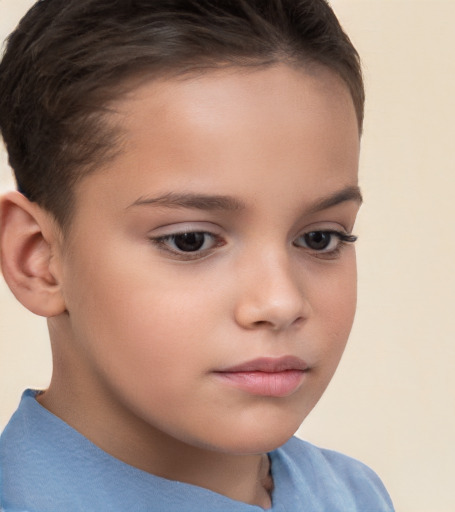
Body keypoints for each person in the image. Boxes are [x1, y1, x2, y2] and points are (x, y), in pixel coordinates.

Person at [0, 0, 394, 510]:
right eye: (191, 240)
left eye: (320, 238)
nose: (280, 302)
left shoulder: (354, 494)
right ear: (38, 258)